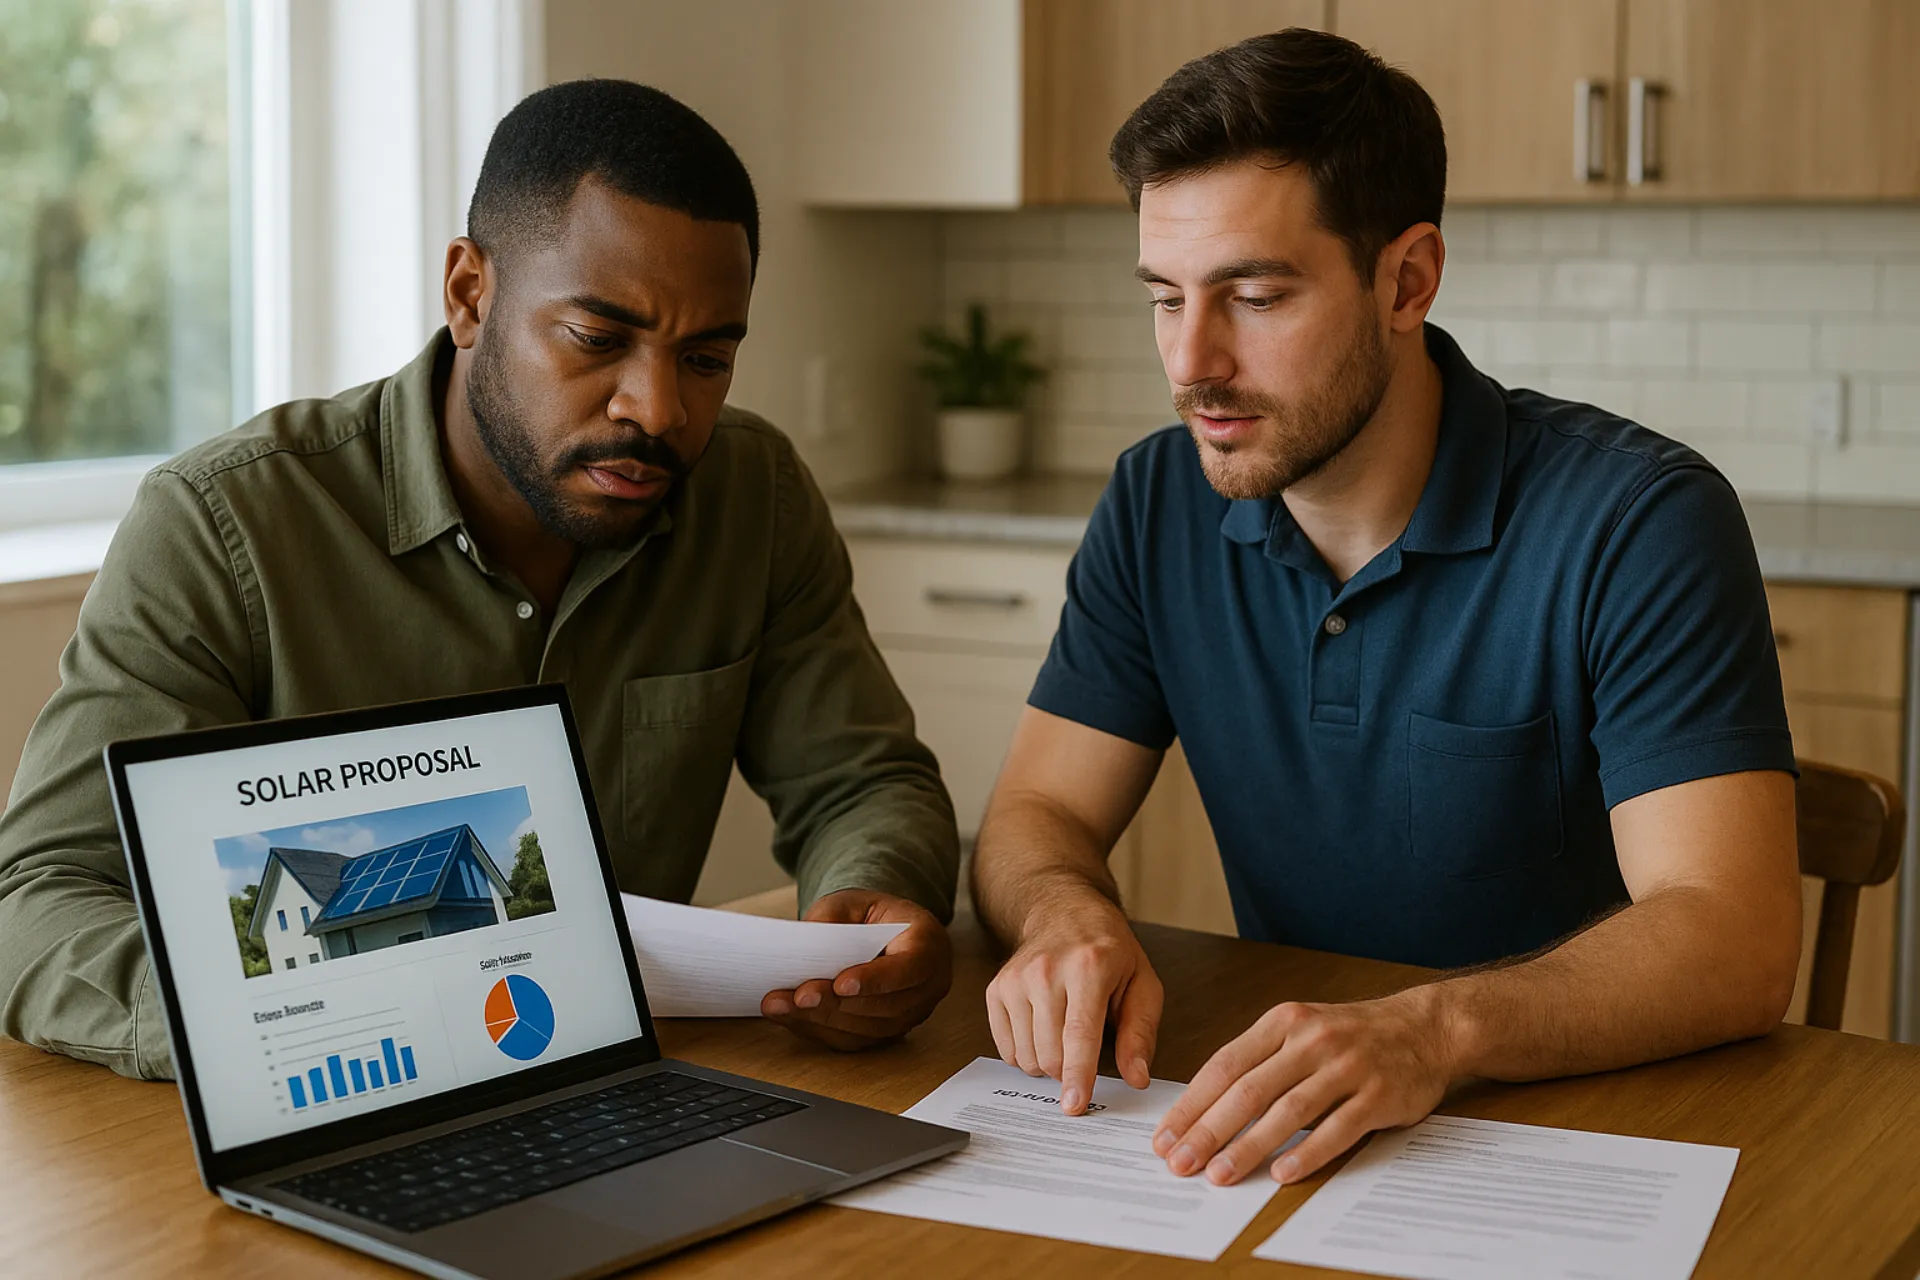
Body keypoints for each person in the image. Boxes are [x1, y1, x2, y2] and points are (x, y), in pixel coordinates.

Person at [972, 29, 1801, 1190]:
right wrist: (1063, 911)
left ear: (1407, 280)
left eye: (1254, 296)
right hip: (1296, 1137)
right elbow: (1037, 807)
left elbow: (1736, 937)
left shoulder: (1638, 520)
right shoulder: (1156, 499)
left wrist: (1431, 1030)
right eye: (1165, 297)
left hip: (1591, 1136)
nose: (1191, 361)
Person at [0, 79, 959, 1079]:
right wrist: (296, 1026)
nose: (659, 407)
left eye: (707, 358)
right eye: (598, 338)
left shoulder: (751, 496)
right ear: (469, 294)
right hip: (307, 1109)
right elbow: (37, 899)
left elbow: (865, 781)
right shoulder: (223, 525)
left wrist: (872, 902)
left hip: (607, 1092)